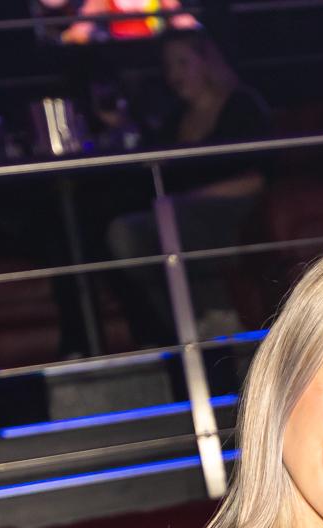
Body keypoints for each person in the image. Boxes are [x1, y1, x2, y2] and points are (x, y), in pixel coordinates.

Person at [95, 27, 272, 345]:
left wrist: (190, 200)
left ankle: (220, 319)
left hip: (238, 211)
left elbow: (258, 178)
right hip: (178, 217)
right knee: (124, 233)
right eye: (168, 66)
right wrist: (122, 126)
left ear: (206, 62)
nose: (174, 75)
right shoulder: (175, 119)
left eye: (182, 63)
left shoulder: (241, 104)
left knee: (175, 223)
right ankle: (181, 332)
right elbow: (153, 166)